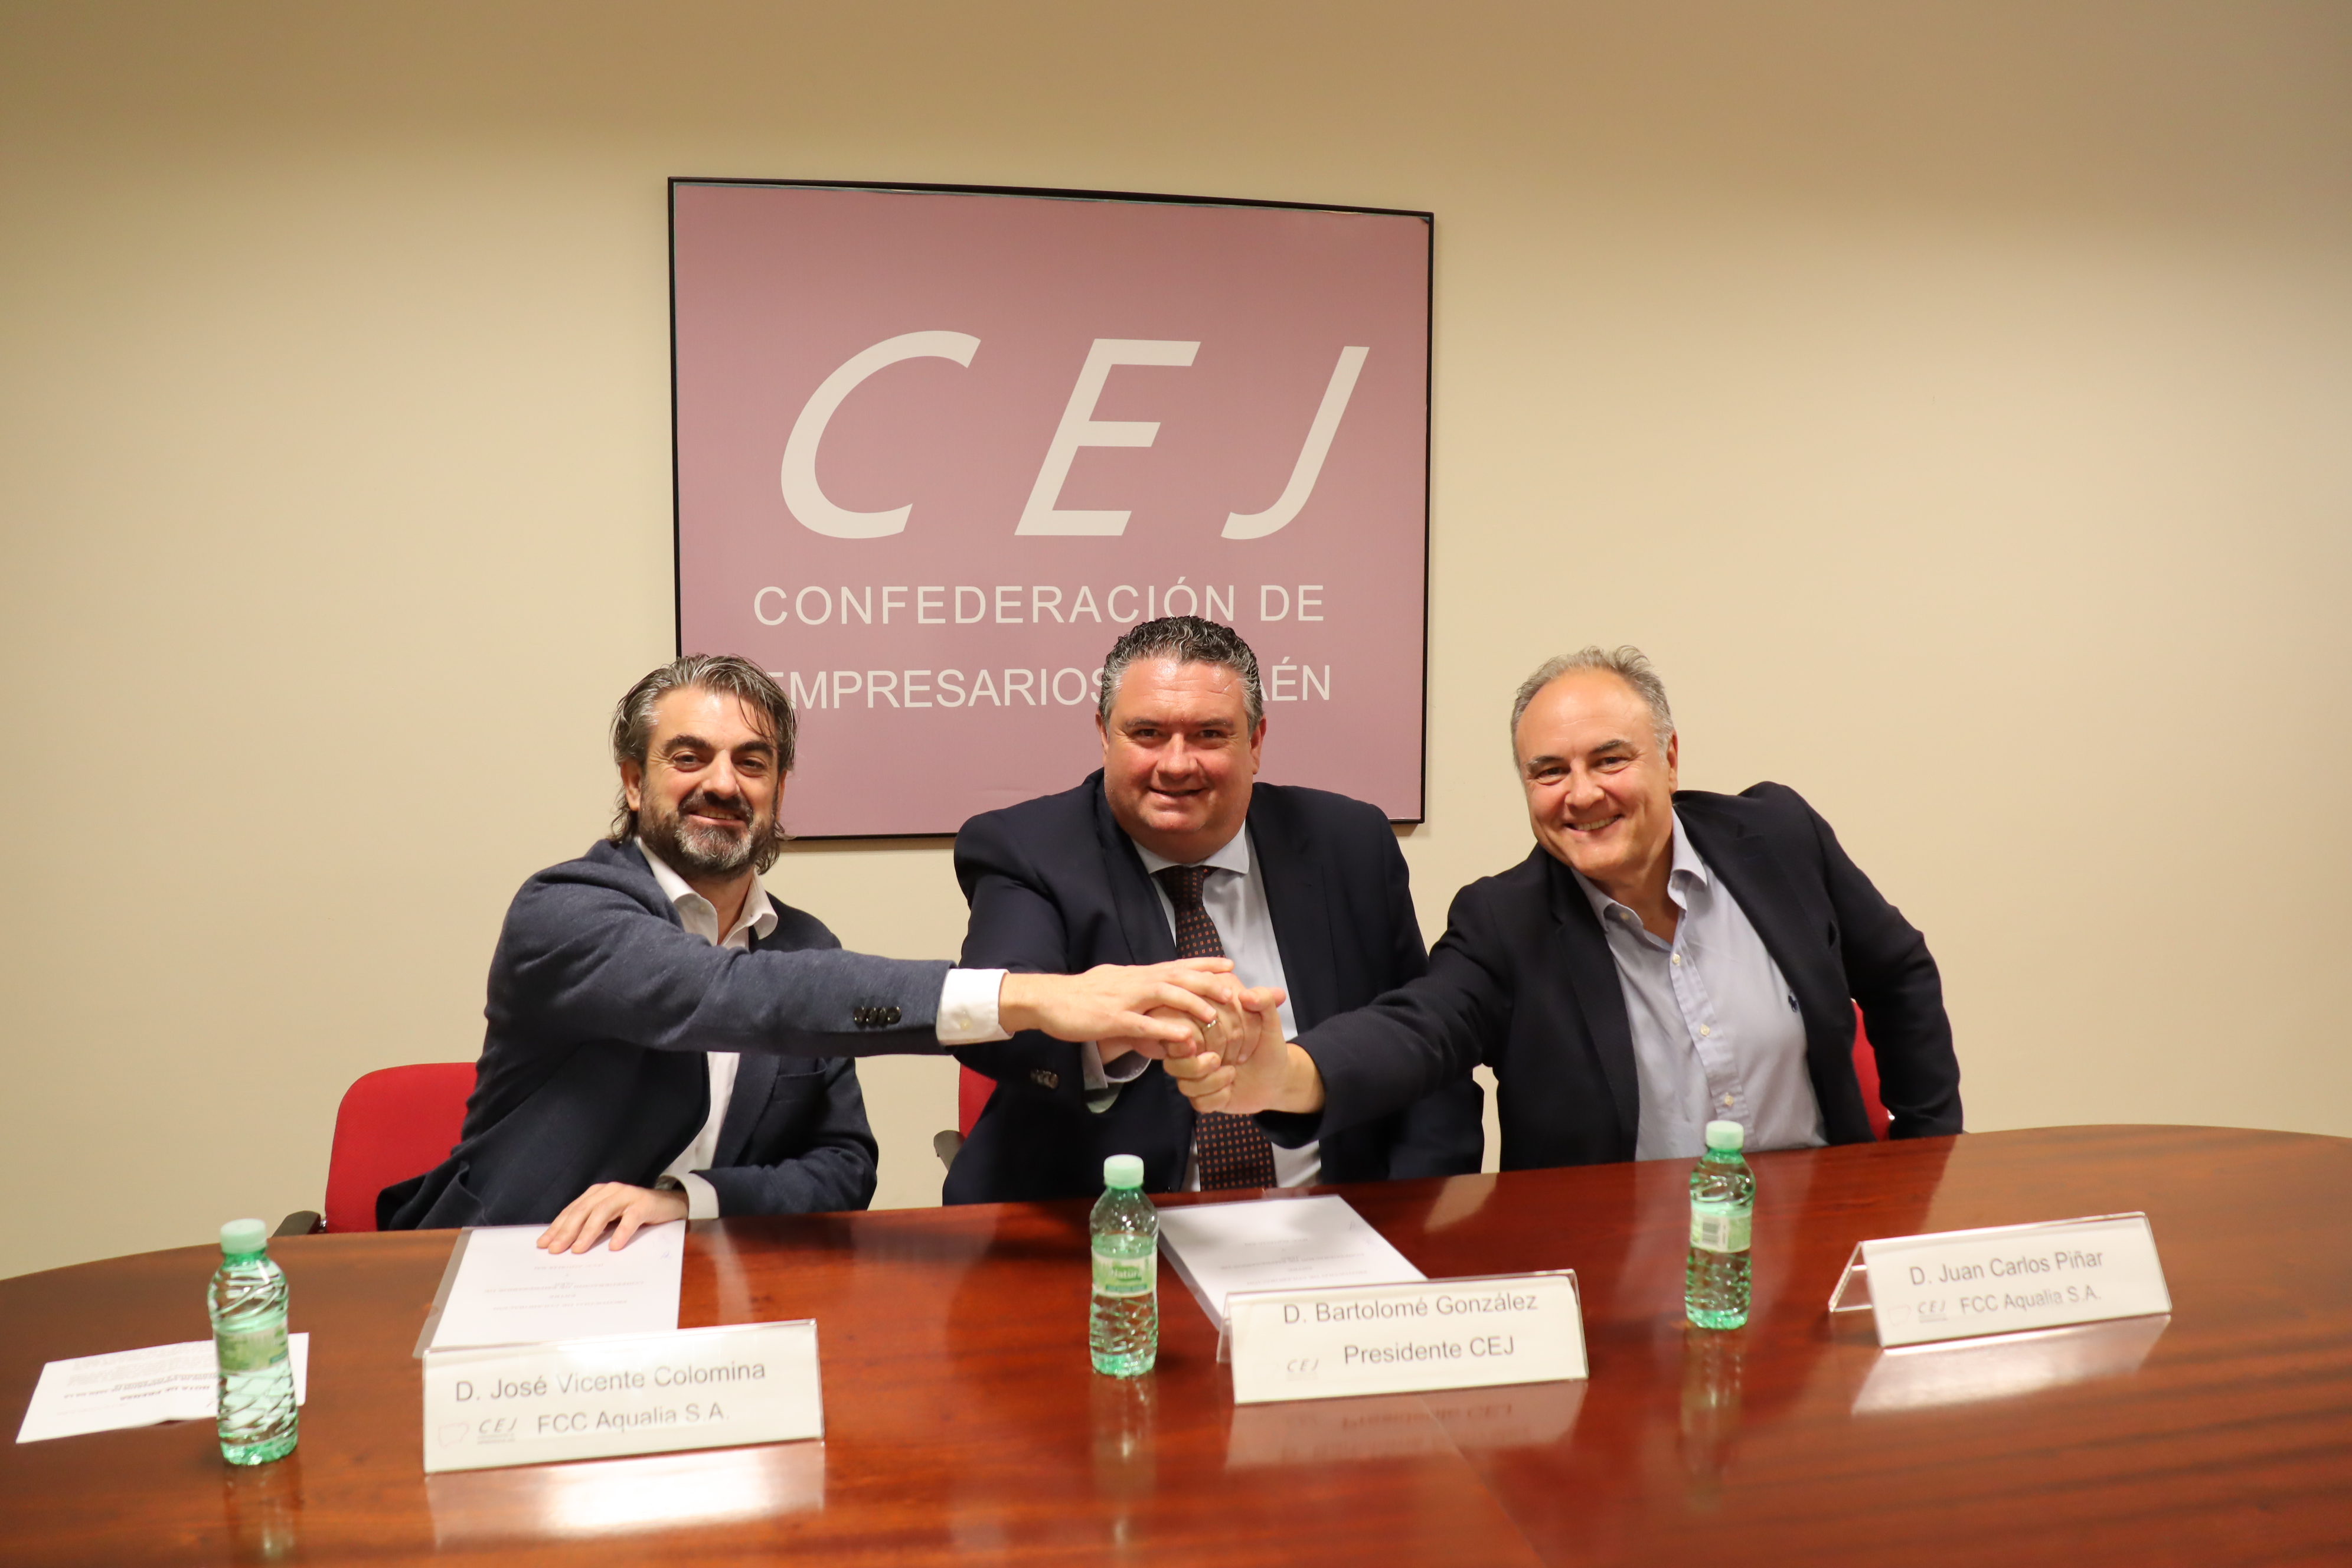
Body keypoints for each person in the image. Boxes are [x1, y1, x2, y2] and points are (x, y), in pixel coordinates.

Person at [380, 654, 1255, 1244]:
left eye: (752, 762)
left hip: (719, 1285)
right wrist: (1031, 997)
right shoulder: (566, 911)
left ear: (778, 788)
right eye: (689, 757)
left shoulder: (802, 944)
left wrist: (686, 1203)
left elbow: (843, 1169)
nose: (722, 783)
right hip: (518, 1264)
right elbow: (725, 995)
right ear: (633, 780)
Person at [1168, 645, 1962, 1168]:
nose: (1581, 795)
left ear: (1670, 757)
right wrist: (1287, 1074)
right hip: (1620, 1265)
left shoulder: (1777, 838)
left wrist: (1927, 1163)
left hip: (1821, 1225)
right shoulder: (1503, 923)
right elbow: (1419, 1032)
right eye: (1549, 772)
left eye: (1610, 759)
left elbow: (1899, 974)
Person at [946, 617, 1484, 1201]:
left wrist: (1414, 1214)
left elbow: (1422, 1049)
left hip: (1331, 1216)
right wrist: (1122, 1030)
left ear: (1255, 742)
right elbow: (1000, 1021)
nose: (1177, 764)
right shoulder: (1027, 848)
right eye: (1147, 733)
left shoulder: (1348, 843)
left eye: (1209, 734)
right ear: (1104, 735)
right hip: (1107, 1221)